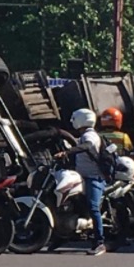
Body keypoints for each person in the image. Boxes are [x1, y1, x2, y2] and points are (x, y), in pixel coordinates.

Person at [56, 108, 107, 256]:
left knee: (93, 207)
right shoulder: (83, 136)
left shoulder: (90, 136)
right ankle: (65, 234)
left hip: (94, 178)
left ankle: (100, 243)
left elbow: (88, 146)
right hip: (81, 177)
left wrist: (68, 152)